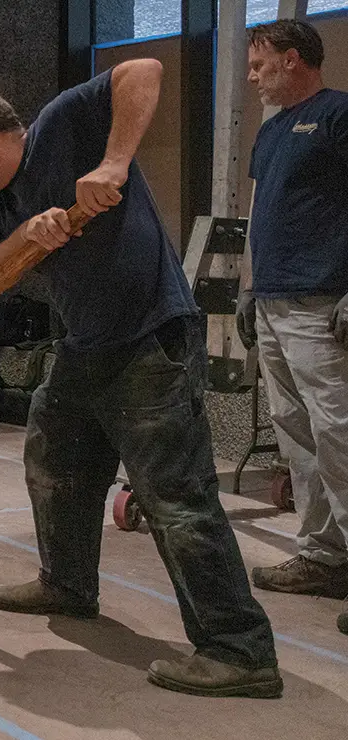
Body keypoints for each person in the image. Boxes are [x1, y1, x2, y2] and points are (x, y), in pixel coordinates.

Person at [0, 60, 284, 695]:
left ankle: (239, 650)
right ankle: (67, 584)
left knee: (175, 497)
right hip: (84, 345)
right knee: (54, 460)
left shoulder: (62, 124)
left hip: (149, 337)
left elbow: (143, 70)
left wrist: (114, 164)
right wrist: (28, 233)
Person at [236, 20, 348, 637]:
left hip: (321, 301)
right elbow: (261, 213)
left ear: (294, 59)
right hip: (274, 303)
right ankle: (325, 556)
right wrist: (249, 288)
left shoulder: (337, 116)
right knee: (298, 436)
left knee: (339, 432)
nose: (253, 77)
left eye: (260, 65)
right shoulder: (272, 130)